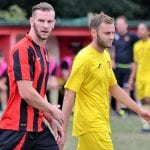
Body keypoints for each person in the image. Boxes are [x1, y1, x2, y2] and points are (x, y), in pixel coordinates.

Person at [61, 12, 150, 150]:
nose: (111, 37)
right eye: (107, 33)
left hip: (102, 122)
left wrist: (139, 110)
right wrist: (63, 131)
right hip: (91, 125)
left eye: (113, 33)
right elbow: (69, 94)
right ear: (94, 33)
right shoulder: (84, 58)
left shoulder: (106, 56)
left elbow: (114, 88)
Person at [0, 2, 64, 150]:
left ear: (54, 23)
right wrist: (52, 109)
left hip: (38, 128)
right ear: (31, 21)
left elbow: (39, 92)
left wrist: (51, 118)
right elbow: (26, 92)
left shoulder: (43, 51)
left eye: (49, 21)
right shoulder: (22, 49)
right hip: (17, 128)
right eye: (41, 20)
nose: (45, 25)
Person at [111, 16, 138, 116]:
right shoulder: (115, 36)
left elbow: (138, 48)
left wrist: (134, 62)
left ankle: (126, 109)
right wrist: (112, 60)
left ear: (126, 24)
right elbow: (112, 49)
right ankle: (119, 111)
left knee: (126, 89)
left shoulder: (132, 36)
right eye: (117, 24)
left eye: (121, 24)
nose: (119, 26)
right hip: (117, 67)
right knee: (116, 88)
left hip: (128, 68)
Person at [129, 23, 150, 132]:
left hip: (149, 78)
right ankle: (146, 124)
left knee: (148, 99)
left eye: (142, 29)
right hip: (140, 78)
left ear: (148, 32)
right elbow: (135, 64)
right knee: (142, 101)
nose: (139, 31)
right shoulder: (136, 45)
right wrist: (131, 80)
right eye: (138, 29)